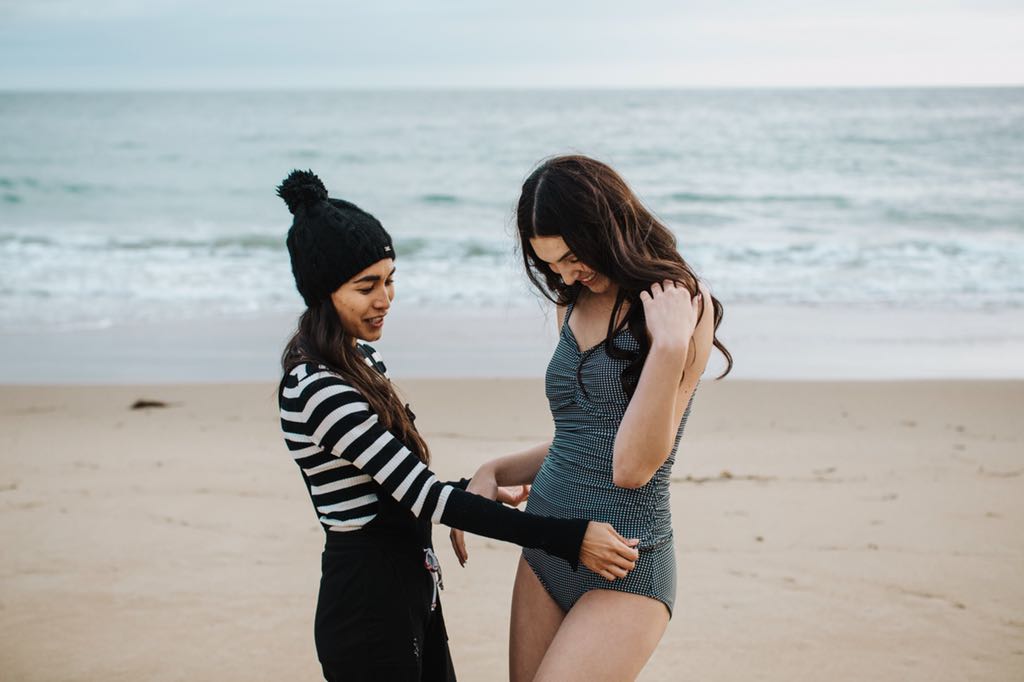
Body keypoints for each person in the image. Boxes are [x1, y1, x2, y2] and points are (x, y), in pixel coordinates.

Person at [275, 169, 641, 682]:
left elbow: (393, 490)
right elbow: (424, 497)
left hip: (412, 591)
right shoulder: (319, 389)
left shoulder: (359, 362)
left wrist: (478, 490)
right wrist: (570, 538)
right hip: (367, 609)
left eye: (390, 279)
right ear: (322, 291)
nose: (385, 299)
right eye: (366, 286)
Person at [450, 155, 733, 681]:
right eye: (550, 264)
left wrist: (669, 346)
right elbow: (580, 437)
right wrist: (497, 469)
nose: (565, 275)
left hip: (625, 563)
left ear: (606, 226)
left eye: (572, 256)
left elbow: (632, 466)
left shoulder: (680, 309)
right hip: (548, 546)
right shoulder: (572, 299)